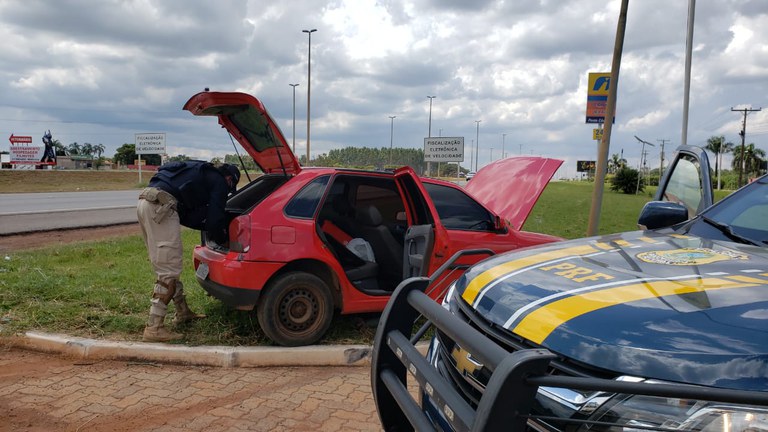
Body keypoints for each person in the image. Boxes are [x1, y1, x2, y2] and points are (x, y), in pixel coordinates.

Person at [137, 160, 240, 342]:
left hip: (146, 202)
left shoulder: (198, 172)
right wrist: (222, 237)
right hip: (162, 207)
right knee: (169, 268)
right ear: (230, 178)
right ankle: (154, 327)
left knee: (167, 263)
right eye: (230, 185)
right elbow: (215, 219)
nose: (228, 189)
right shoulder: (219, 181)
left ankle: (182, 312)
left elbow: (187, 214)